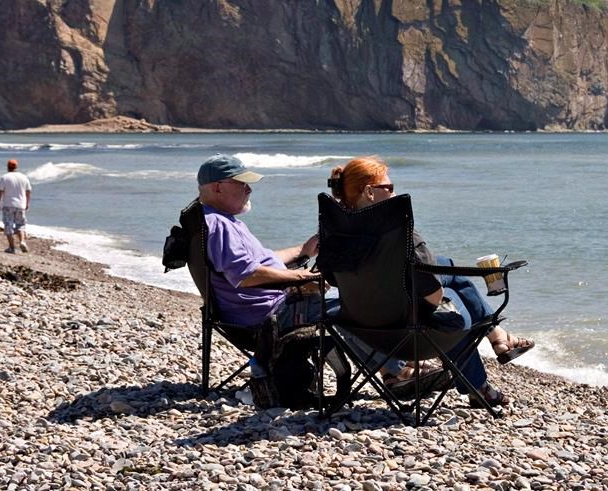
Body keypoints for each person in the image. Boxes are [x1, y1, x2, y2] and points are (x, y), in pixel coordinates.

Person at [328, 155, 535, 407]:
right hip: (406, 333)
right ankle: (490, 355)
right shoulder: (399, 229)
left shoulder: (334, 231)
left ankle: (496, 341)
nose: (394, 193)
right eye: (389, 188)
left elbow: (331, 278)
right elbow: (433, 294)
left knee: (445, 266)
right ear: (370, 192)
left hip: (363, 327)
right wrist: (441, 298)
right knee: (448, 311)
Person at [196, 154, 414, 390]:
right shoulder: (219, 225)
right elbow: (247, 275)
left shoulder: (218, 220)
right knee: (354, 307)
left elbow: (259, 262)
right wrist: (303, 279)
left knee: (348, 303)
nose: (249, 190)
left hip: (268, 306)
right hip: (268, 317)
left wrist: (303, 250)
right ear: (218, 188)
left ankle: (394, 370)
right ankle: (399, 372)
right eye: (241, 184)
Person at [0, 159, 32, 254]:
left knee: (8, 225)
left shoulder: (5, 177)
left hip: (8, 205)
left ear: (8, 166)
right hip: (21, 205)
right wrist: (27, 203)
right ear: (16, 167)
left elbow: (0, 191)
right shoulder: (24, 177)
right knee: (21, 224)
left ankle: (12, 247)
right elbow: (28, 191)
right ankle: (22, 241)